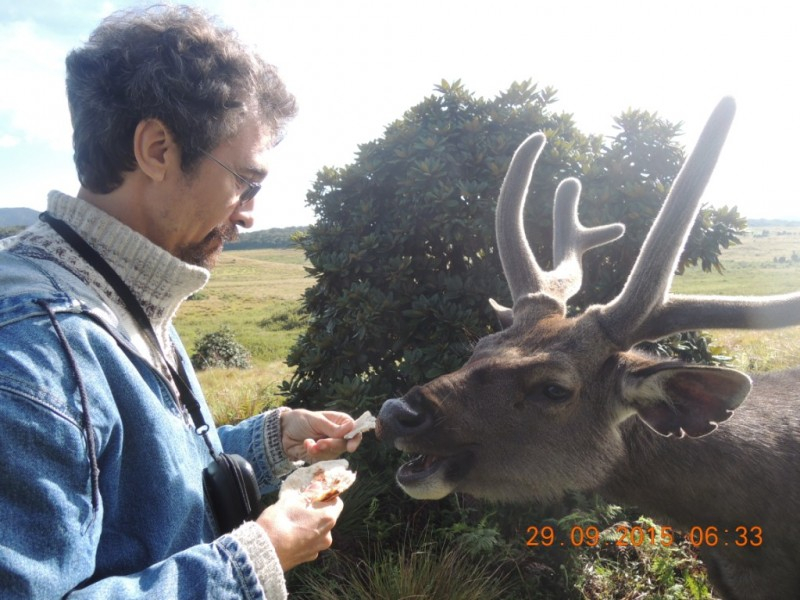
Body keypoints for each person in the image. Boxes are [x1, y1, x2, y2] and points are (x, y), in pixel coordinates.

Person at [0, 5, 361, 598]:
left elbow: (135, 490)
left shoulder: (121, 296)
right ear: (158, 149)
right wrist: (255, 560)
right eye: (246, 181)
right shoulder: (35, 354)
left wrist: (270, 442)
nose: (249, 213)